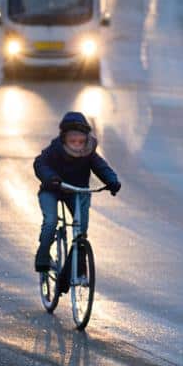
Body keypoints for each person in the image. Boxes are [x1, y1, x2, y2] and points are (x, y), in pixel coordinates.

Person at [33, 112, 121, 276]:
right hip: (51, 190)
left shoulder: (89, 153)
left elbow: (102, 167)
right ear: (64, 139)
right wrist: (50, 178)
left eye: (81, 141)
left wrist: (112, 181)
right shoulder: (54, 150)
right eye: (72, 141)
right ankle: (43, 255)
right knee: (51, 222)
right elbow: (40, 164)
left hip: (76, 191)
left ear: (86, 140)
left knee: (81, 230)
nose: (77, 145)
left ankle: (79, 267)